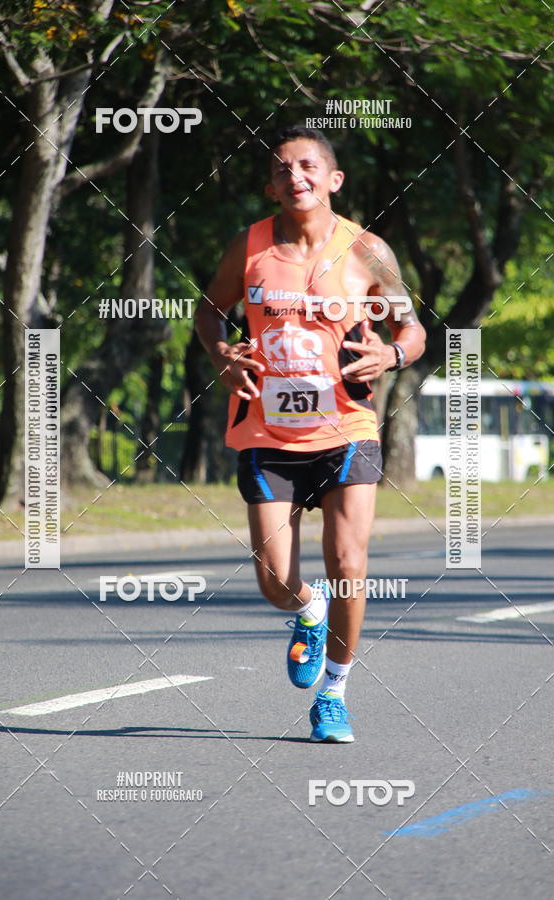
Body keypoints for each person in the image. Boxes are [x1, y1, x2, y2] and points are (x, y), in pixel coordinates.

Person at [195, 125, 426, 742]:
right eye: (281, 169)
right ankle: (309, 608)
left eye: (307, 166)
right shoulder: (248, 247)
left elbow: (413, 330)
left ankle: (335, 694)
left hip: (348, 427)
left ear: (332, 179)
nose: (295, 177)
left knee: (349, 563)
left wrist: (392, 358)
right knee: (274, 580)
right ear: (270, 186)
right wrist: (221, 353)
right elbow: (209, 308)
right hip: (267, 432)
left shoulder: (369, 251)